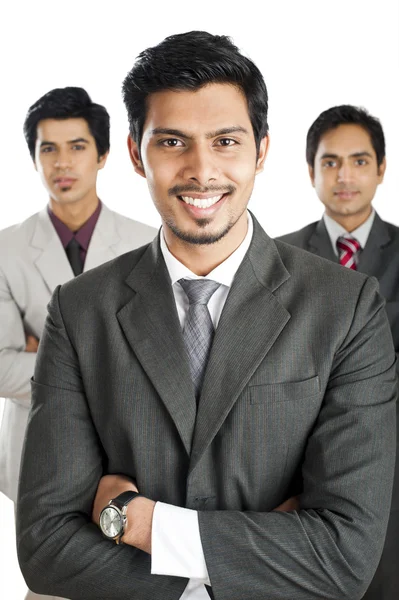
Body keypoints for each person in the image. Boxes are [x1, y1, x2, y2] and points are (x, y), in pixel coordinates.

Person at [16, 33, 396, 600]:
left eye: (225, 141)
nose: (201, 170)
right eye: (172, 141)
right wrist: (248, 559)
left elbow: (345, 557)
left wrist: (138, 523)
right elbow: (46, 548)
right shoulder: (80, 310)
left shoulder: (347, 308)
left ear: (261, 151)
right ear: (135, 154)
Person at [0, 86, 156, 600]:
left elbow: (162, 362)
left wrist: (41, 352)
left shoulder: (145, 242)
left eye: (77, 146)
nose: (61, 163)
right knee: (49, 583)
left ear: (104, 154)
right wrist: (106, 363)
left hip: (134, 454)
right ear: (34, 157)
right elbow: (0, 367)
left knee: (134, 579)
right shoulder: (6, 249)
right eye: (49, 148)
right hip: (38, 455)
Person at [277, 105, 399, 600]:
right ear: (310, 172)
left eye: (359, 161)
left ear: (381, 168)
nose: (344, 175)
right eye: (330, 162)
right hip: (291, 463)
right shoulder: (277, 259)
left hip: (388, 462)